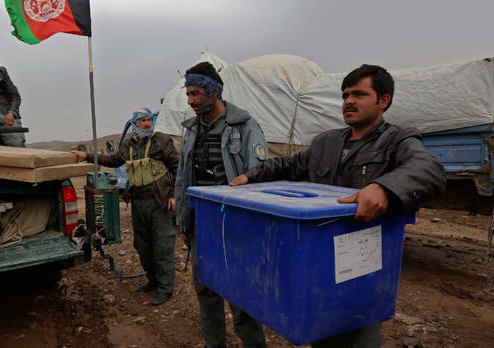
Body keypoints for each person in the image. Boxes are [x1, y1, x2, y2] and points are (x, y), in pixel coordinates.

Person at [231, 64, 447, 347]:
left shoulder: (398, 139)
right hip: (320, 255)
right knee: (321, 331)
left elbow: (429, 169)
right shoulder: (326, 142)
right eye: (345, 95)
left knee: (361, 331)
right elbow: (288, 165)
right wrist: (250, 175)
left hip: (363, 259)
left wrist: (384, 187)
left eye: (359, 94)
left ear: (384, 101)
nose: (348, 102)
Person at [175, 62, 268, 348]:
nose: (190, 100)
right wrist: (183, 218)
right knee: (205, 291)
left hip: (234, 226)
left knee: (241, 296)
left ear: (213, 91)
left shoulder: (245, 125)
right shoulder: (191, 129)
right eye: (187, 94)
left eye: (195, 93)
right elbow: (182, 176)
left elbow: (260, 178)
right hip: (202, 224)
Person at [70, 107, 179, 306]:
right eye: (143, 120)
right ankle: (153, 281)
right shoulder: (129, 144)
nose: (147, 123)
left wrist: (173, 196)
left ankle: (165, 289)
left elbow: (177, 168)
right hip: (138, 201)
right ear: (135, 123)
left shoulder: (162, 141)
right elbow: (111, 160)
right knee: (142, 245)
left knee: (162, 245)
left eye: (149, 120)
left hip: (158, 202)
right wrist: (86, 156)